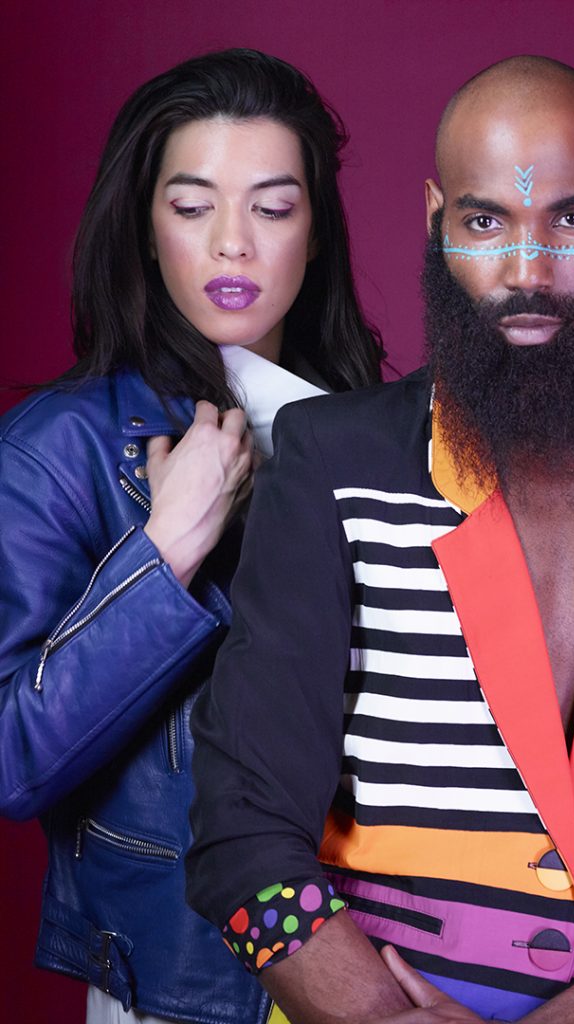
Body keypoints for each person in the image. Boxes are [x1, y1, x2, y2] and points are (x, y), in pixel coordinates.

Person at [186, 56, 574, 1024]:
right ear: (434, 220)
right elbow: (240, 830)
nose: (527, 272)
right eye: (486, 221)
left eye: (570, 220)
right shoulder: (335, 465)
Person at [0, 48, 382, 1024]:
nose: (231, 245)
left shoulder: (378, 430)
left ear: (314, 230)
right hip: (184, 985)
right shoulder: (62, 448)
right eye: (191, 203)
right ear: (143, 223)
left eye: (270, 204)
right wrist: (161, 557)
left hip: (386, 968)